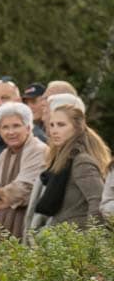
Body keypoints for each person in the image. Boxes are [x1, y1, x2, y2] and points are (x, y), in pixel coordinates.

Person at [25, 94, 111, 238]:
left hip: (77, 242)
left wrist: (93, 240)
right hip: (62, 239)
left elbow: (97, 200)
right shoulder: (61, 160)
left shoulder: (81, 161)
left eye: (61, 125)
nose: (54, 130)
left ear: (76, 128)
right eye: (52, 125)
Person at [0, 102, 47, 242]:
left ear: (28, 128)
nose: (10, 132)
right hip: (2, 229)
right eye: (5, 127)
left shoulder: (39, 150)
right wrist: (2, 197)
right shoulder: (1, 158)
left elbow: (24, 188)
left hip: (32, 228)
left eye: (16, 126)